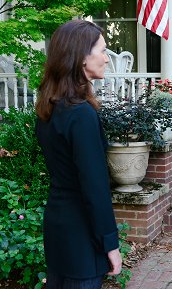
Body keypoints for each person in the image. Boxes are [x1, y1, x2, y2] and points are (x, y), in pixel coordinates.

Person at [35, 20, 122, 288]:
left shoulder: (48, 109)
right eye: (103, 51)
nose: (107, 59)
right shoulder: (81, 114)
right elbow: (94, 186)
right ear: (81, 56)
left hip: (58, 224)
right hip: (82, 234)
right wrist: (110, 243)